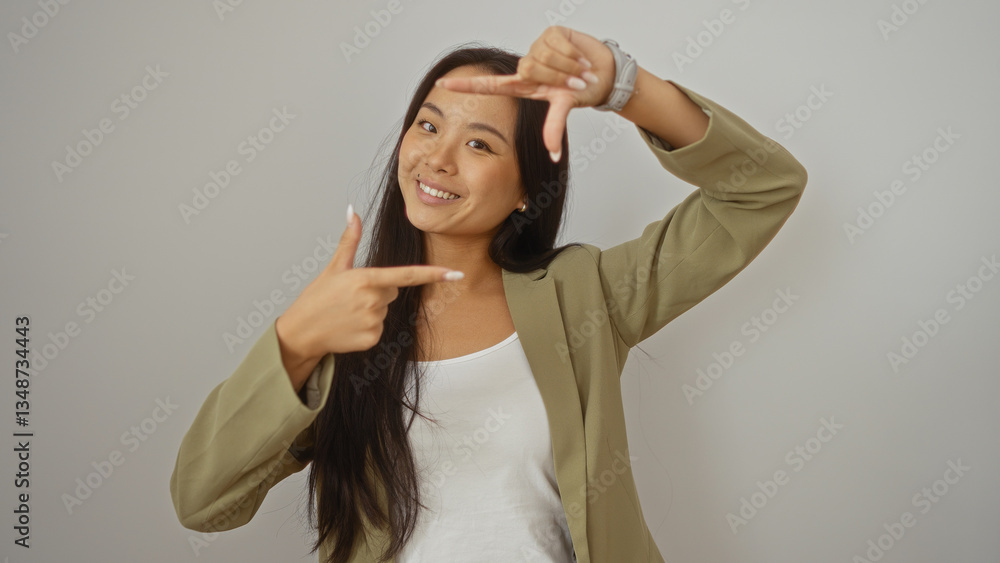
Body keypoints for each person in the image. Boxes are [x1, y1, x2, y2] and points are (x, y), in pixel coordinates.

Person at [170, 26, 807, 563]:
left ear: (528, 187)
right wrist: (295, 342)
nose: (438, 159)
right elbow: (203, 503)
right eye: (427, 125)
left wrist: (626, 87)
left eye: (479, 143)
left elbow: (763, 188)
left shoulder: (584, 295)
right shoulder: (344, 325)